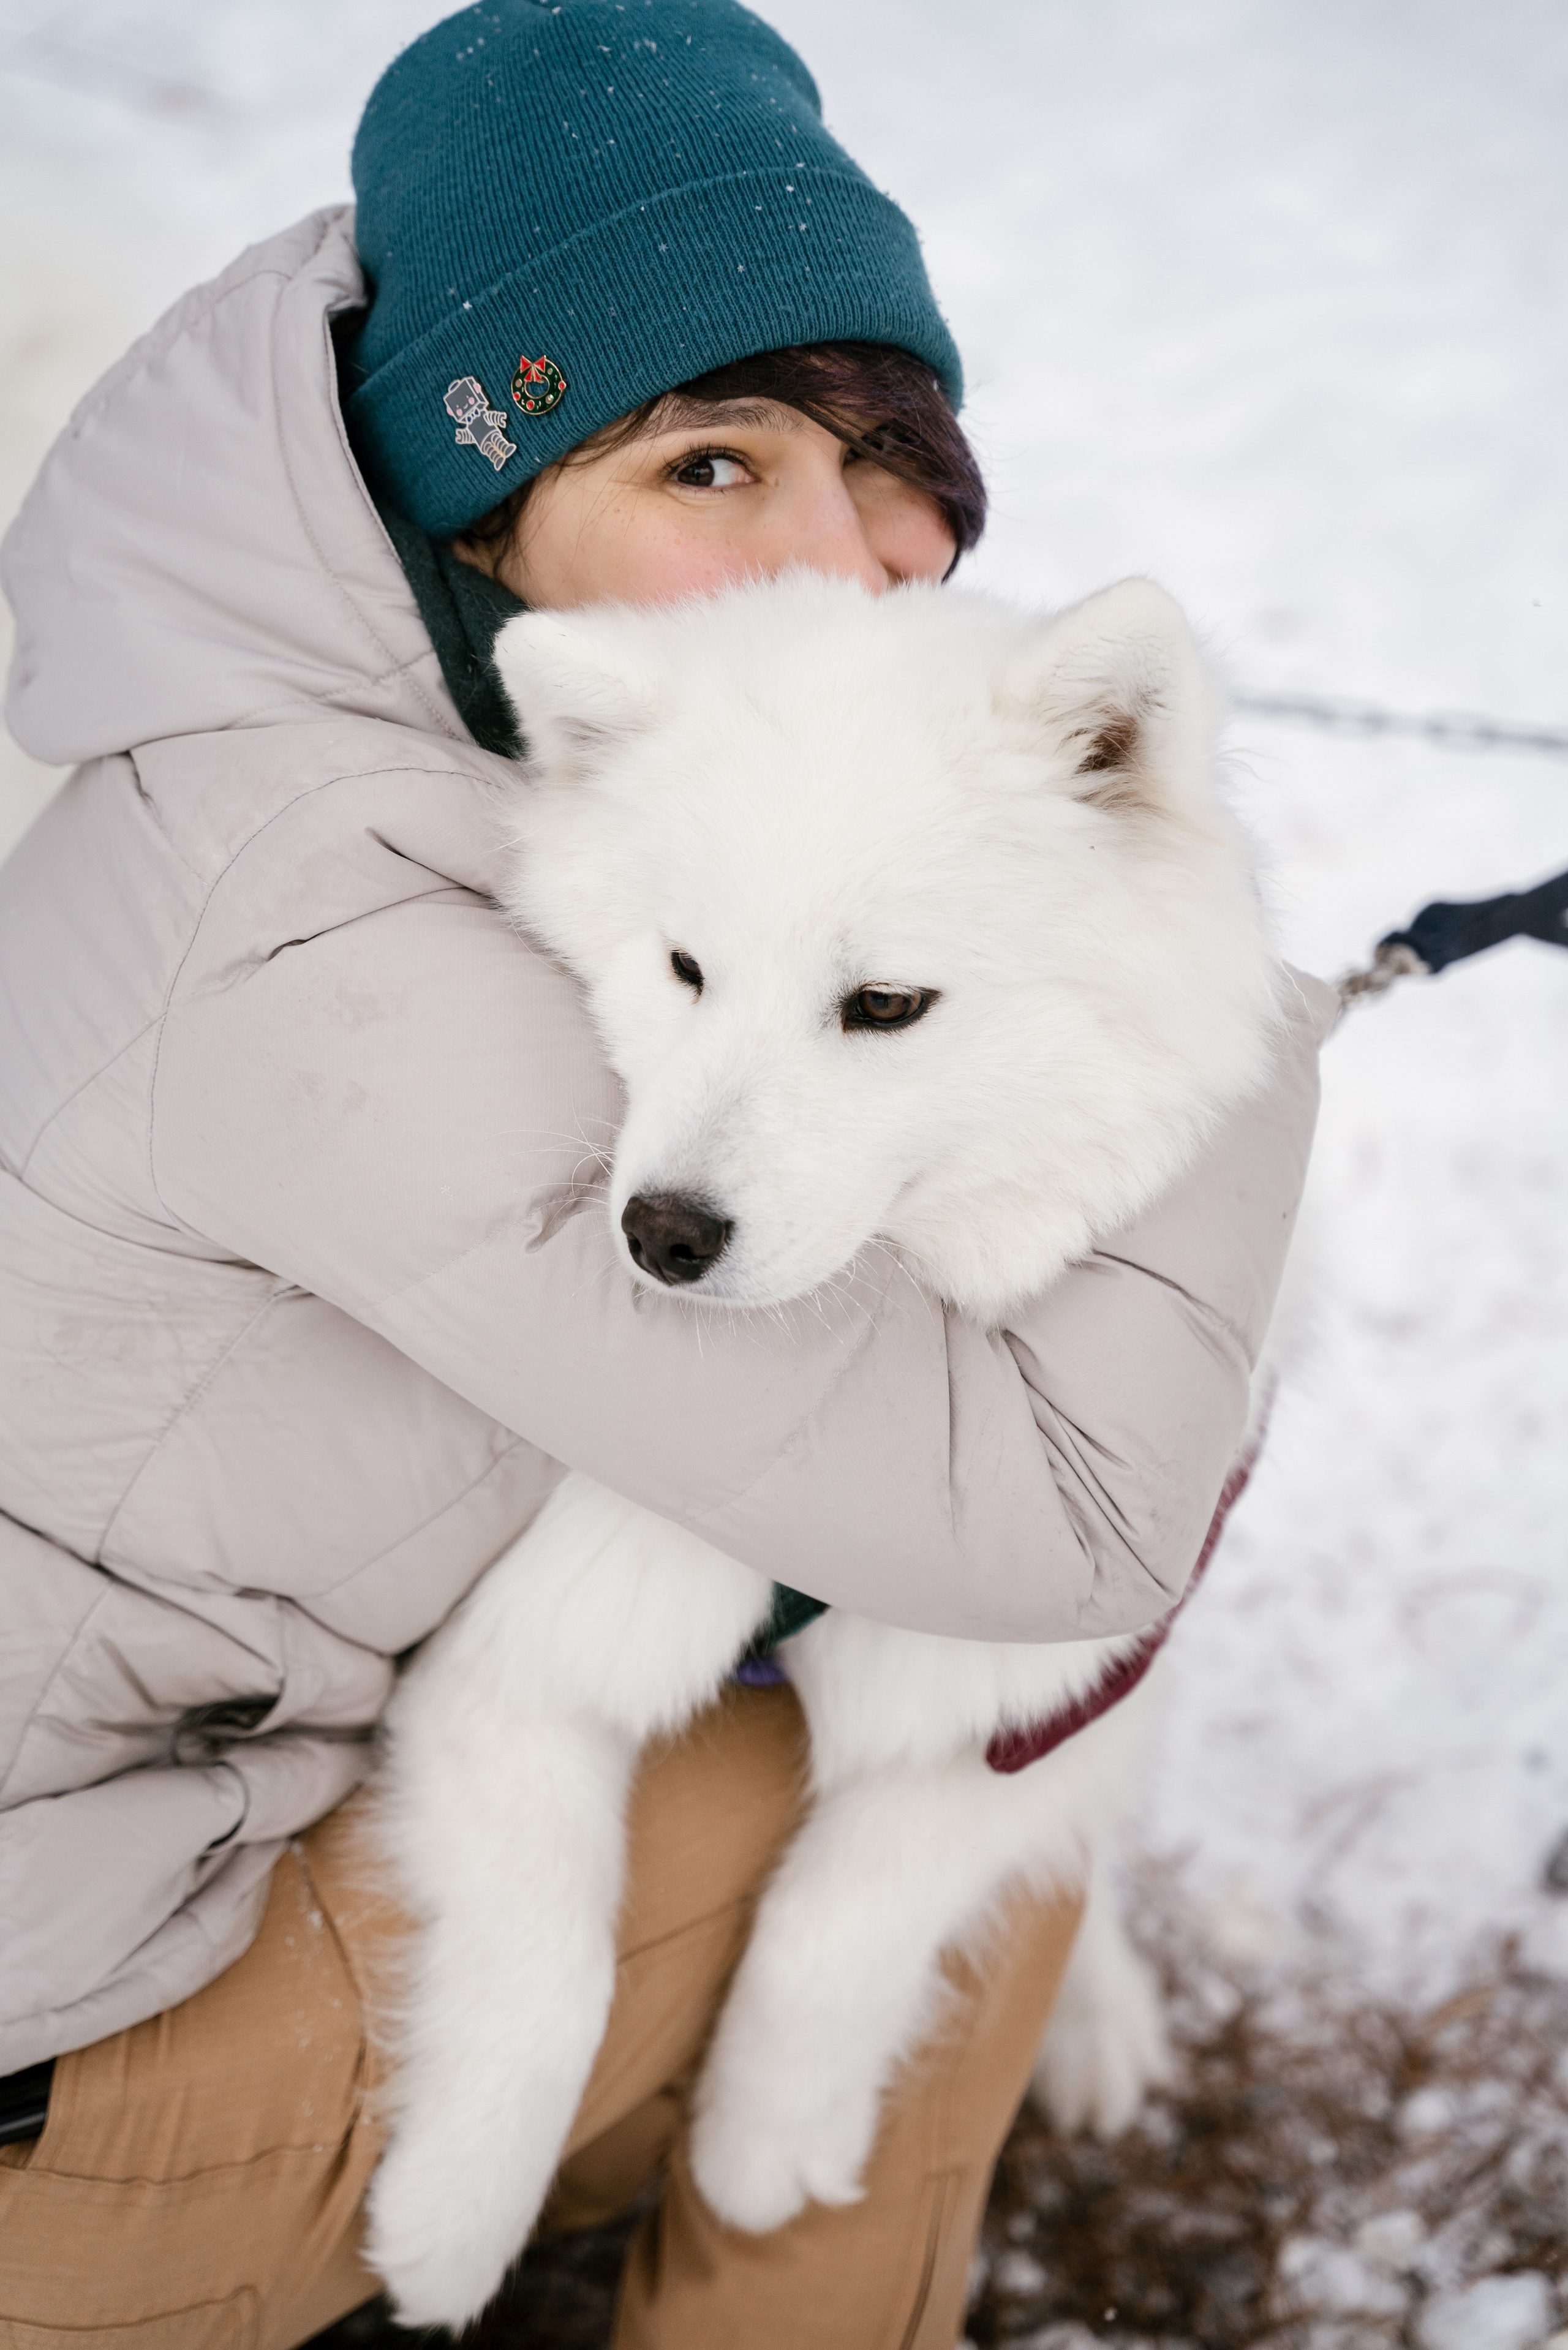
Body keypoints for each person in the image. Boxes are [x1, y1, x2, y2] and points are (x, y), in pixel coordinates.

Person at [0, 2, 1332, 2343]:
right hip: (67, 2052)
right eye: (710, 465)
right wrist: (1250, 1003)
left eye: (883, 450)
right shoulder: (350, 924)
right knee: (988, 1712)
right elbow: (1064, 1520)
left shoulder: (414, 746)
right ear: (478, 495)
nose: (839, 557)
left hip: (122, 1841)